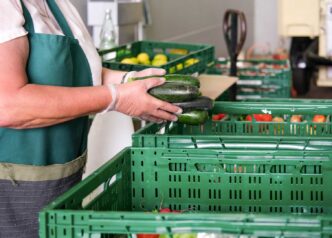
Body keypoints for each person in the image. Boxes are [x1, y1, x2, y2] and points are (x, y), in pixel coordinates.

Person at [0, 1, 182, 237]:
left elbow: (78, 73)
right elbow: (8, 104)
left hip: (64, 187)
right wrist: (116, 97)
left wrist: (128, 80)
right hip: (13, 194)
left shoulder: (59, 4)